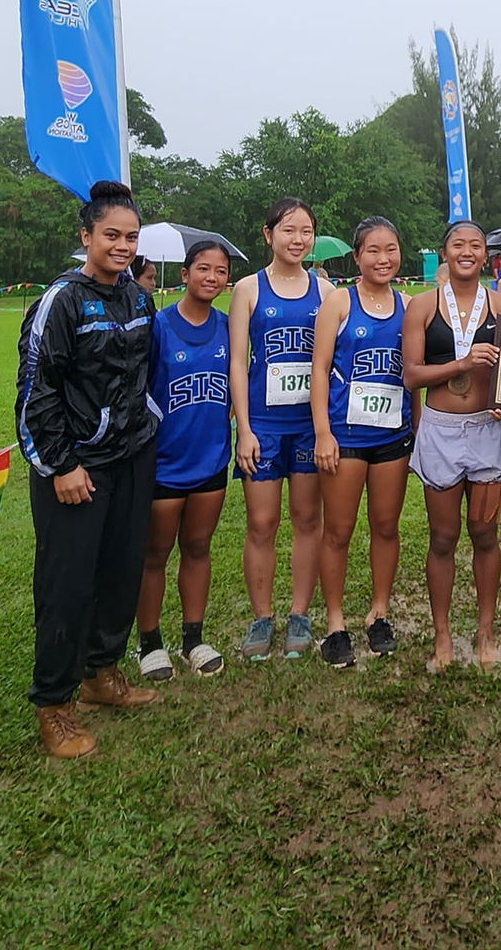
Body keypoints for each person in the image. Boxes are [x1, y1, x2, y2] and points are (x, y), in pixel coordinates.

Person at [16, 180, 159, 760]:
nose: (122, 246)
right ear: (86, 237)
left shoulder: (137, 297)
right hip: (75, 469)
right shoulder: (62, 301)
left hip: (132, 458)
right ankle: (54, 704)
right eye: (111, 235)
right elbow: (36, 390)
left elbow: (144, 375)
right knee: (67, 585)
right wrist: (62, 464)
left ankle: (103, 674)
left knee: (122, 571)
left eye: (130, 236)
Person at [402, 220, 501, 670]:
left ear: (486, 255)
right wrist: (463, 362)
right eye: (458, 244)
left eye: (475, 245)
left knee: (485, 533)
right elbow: (411, 374)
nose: (467, 251)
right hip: (443, 429)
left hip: (488, 429)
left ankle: (486, 630)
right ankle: (443, 634)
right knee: (444, 537)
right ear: (444, 253)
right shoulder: (422, 307)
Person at [310, 217, 413, 668]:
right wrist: (322, 432)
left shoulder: (411, 306)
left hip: (394, 434)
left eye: (390, 249)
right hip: (344, 435)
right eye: (373, 250)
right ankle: (335, 623)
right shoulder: (338, 302)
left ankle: (379, 613)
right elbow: (319, 370)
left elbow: (417, 375)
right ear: (357, 257)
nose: (383, 258)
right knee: (338, 530)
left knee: (386, 527)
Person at [229, 198, 325, 662]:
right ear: (268, 235)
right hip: (263, 426)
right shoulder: (248, 289)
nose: (298, 239)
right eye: (289, 230)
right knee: (262, 523)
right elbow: (236, 363)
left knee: (308, 521)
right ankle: (262, 617)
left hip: (309, 427)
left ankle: (300, 615)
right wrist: (244, 429)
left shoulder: (325, 292)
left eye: (306, 231)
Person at [135, 240, 232, 681]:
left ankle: (193, 638)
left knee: (197, 548)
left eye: (220, 271)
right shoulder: (158, 326)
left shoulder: (230, 327)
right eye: (203, 269)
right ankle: (149, 643)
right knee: (154, 554)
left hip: (210, 460)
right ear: (185, 274)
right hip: (163, 463)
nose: (212, 278)